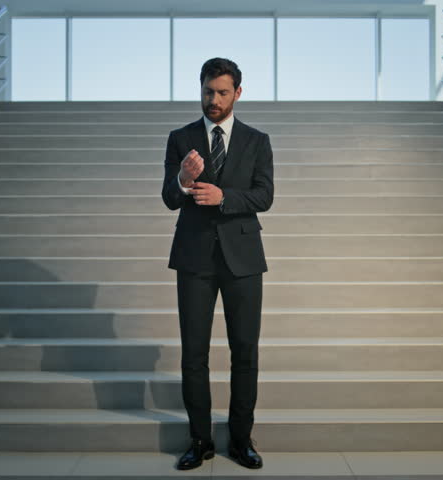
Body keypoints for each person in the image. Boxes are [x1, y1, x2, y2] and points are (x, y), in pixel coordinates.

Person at [161, 57, 274, 471]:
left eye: (222, 92)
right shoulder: (180, 138)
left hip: (243, 259)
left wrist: (223, 197)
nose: (214, 99)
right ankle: (200, 439)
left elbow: (265, 196)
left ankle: (241, 439)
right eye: (208, 91)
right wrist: (183, 182)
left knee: (245, 352)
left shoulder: (257, 140)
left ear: (237, 93)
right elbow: (168, 198)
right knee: (194, 354)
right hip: (194, 258)